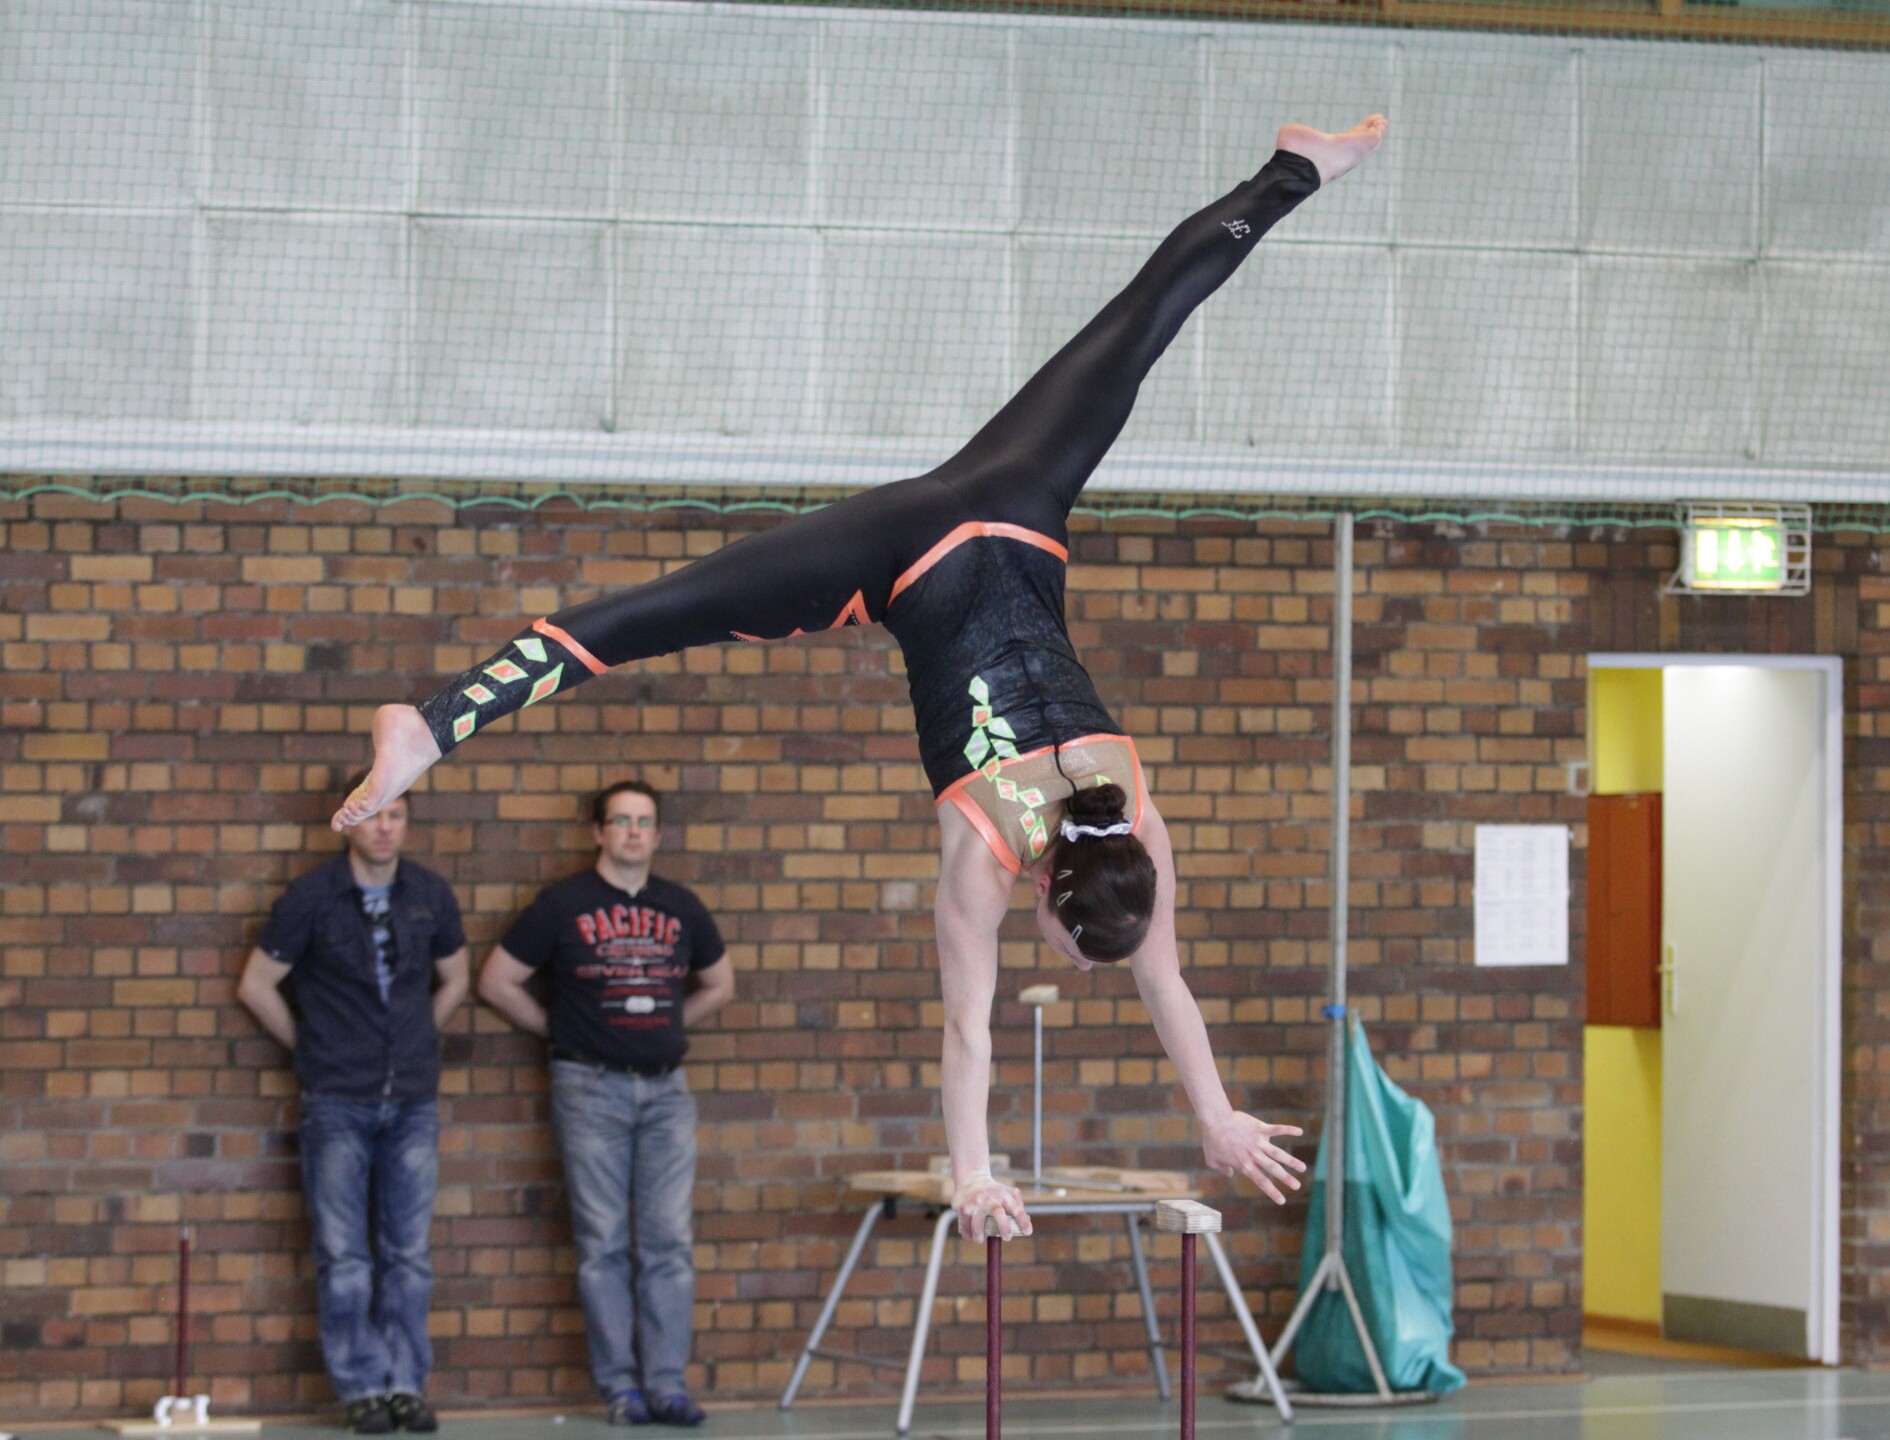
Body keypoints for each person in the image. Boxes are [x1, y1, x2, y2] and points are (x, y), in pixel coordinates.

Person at [336, 117, 1389, 1244]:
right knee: (653, 617)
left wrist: (1217, 1112)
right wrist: (974, 1176)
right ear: (1046, 898)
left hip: (1015, 500)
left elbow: (1157, 980)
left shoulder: (1131, 818)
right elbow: (968, 1029)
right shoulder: (985, 857)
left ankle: (1296, 169)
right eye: (1082, 954)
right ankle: (430, 725)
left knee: (1145, 319)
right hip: (904, 561)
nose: (1091, 972)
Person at [477, 780, 734, 1427]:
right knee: (603, 1245)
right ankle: (620, 1387)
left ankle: (667, 1385)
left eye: (643, 821)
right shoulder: (561, 905)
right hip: (589, 1088)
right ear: (598, 832)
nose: (632, 832)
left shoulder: (681, 906)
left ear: (658, 834)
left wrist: (668, 1025)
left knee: (668, 1242)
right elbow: (497, 981)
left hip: (666, 1092)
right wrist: (560, 1031)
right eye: (620, 820)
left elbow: (720, 984)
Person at [237, 780, 470, 1435]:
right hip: (336, 1097)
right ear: (348, 823)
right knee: (344, 1256)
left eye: (396, 814)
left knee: (408, 1254)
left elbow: (456, 975)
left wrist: (418, 1035)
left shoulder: (429, 893)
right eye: (373, 815)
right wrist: (311, 1045)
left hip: (413, 1098)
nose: (385, 827)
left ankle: (405, 1386)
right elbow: (256, 985)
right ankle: (362, 1387)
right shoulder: (311, 898)